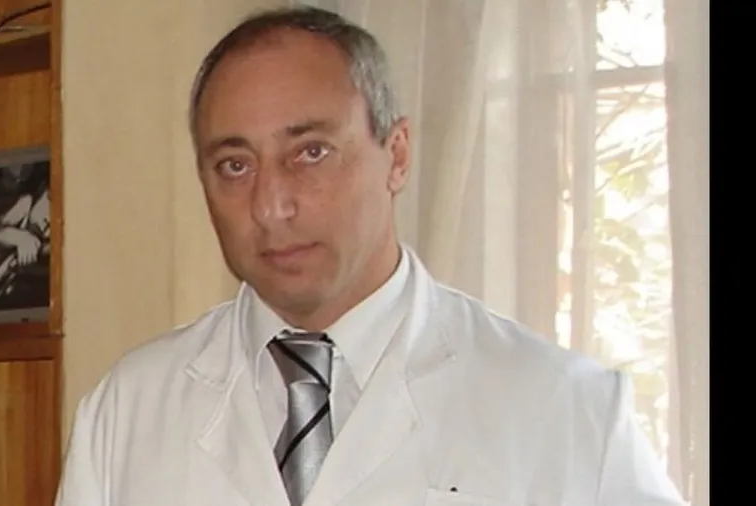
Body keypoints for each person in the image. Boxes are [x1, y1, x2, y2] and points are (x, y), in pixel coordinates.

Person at [54, 6, 686, 506]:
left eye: (310, 153)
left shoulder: (566, 409)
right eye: (235, 165)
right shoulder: (127, 410)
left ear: (397, 154)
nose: (271, 206)